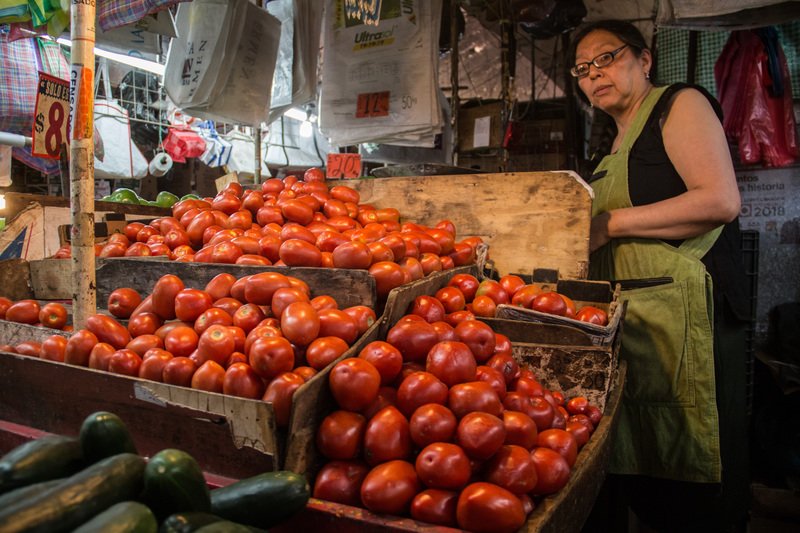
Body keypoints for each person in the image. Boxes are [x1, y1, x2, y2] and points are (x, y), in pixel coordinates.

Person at [568, 20, 752, 533]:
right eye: (582, 70)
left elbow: (720, 200)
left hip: (693, 316)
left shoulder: (678, 104)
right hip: (643, 320)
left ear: (644, 60)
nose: (593, 75)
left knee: (698, 464)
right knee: (651, 464)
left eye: (606, 58)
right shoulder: (613, 143)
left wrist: (610, 224)